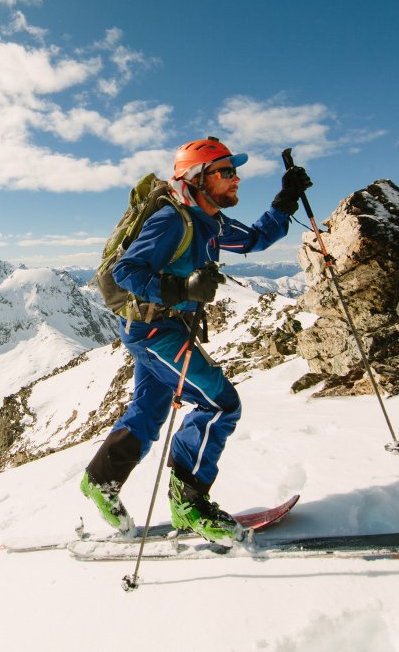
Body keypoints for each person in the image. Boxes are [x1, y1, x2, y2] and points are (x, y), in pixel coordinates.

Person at [80, 136, 312, 542]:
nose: (235, 179)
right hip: (153, 330)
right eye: (225, 172)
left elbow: (255, 239)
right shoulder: (173, 220)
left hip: (162, 329)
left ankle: (100, 481)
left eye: (235, 171)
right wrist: (182, 288)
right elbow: (127, 272)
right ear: (197, 178)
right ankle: (189, 504)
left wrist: (286, 197)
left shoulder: (212, 223)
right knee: (221, 403)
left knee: (149, 410)